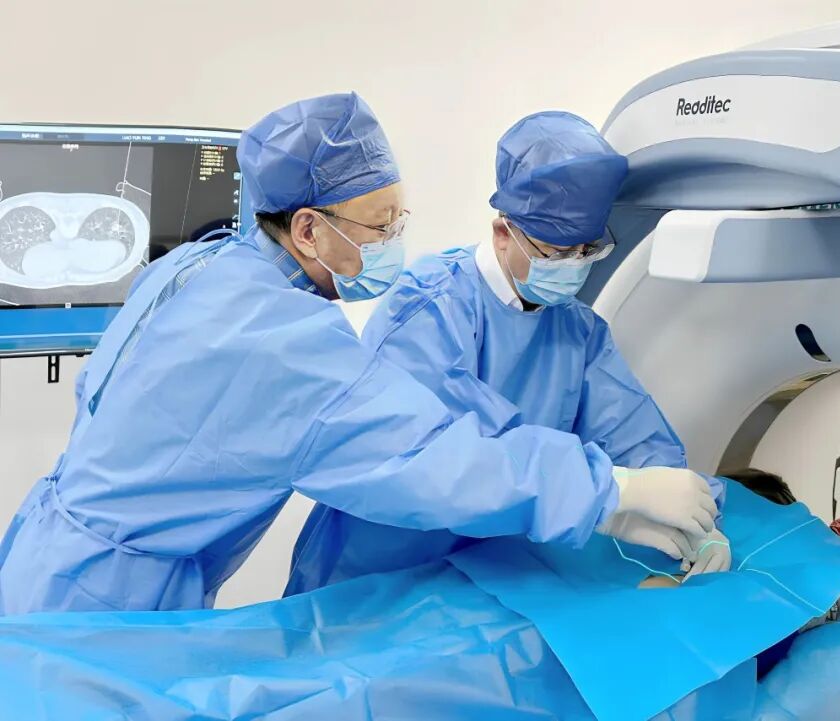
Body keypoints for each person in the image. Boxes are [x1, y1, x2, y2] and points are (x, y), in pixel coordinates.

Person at [0, 94, 716, 615]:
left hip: (51, 553)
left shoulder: (201, 266)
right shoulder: (283, 341)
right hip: (107, 596)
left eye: (398, 219)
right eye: (380, 226)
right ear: (308, 229)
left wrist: (666, 492)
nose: (395, 240)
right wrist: (610, 492)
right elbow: (431, 455)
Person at [287, 111, 730, 595]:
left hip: (491, 573)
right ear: (503, 232)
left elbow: (631, 431)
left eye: (588, 250)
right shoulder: (430, 307)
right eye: (557, 253)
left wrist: (695, 518)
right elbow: (449, 461)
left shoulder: (578, 330)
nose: (575, 266)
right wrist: (607, 493)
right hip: (382, 566)